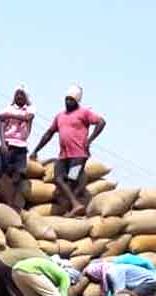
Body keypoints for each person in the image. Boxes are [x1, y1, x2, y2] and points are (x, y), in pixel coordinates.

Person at [30, 85, 106, 217]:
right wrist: (36, 150)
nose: (68, 102)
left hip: (79, 155)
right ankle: (75, 204)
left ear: (77, 101)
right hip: (63, 156)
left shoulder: (84, 113)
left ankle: (74, 207)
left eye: (71, 100)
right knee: (58, 178)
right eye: (66, 99)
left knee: (72, 180)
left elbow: (101, 122)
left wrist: (89, 140)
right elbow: (49, 133)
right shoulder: (60, 116)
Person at [0, 84, 35, 210]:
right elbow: (1, 125)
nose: (18, 96)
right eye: (17, 94)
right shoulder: (8, 108)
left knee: (17, 177)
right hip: (7, 144)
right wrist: (2, 144)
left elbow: (28, 117)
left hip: (21, 147)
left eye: (21, 94)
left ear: (26, 97)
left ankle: (10, 205)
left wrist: (9, 115)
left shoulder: (29, 109)